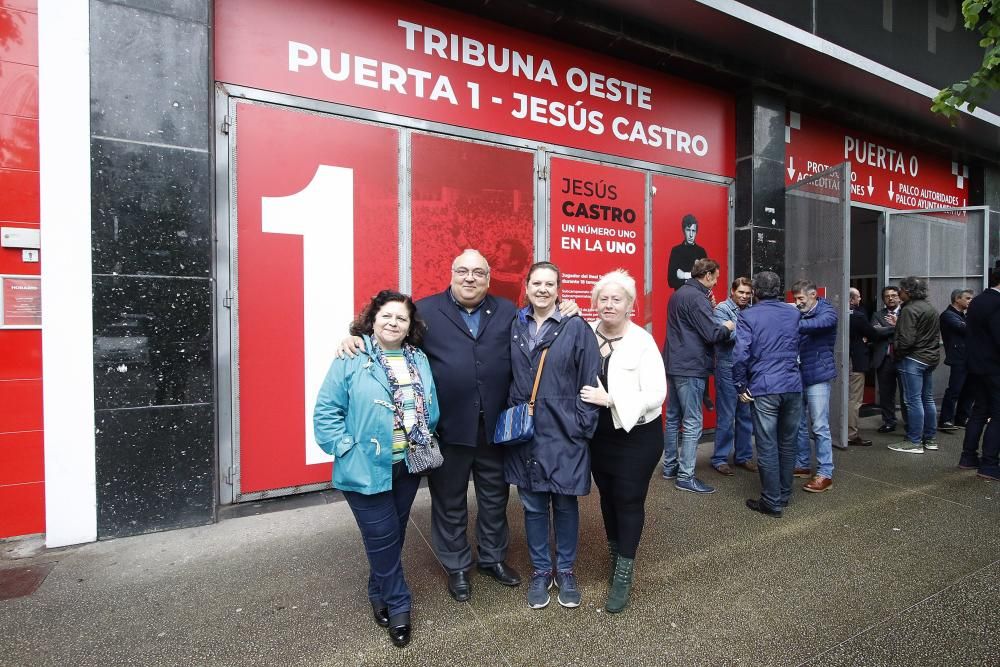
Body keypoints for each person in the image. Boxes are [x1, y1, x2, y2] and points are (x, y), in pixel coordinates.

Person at [337, 250, 578, 603]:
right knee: (448, 501)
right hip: (448, 428)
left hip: (497, 427)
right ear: (451, 274)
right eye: (462, 271)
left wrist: (567, 308)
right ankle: (457, 566)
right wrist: (355, 337)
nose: (470, 278)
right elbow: (390, 336)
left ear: (488, 277)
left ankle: (493, 558)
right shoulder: (427, 310)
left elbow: (545, 323)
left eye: (478, 272)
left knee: (495, 499)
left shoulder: (509, 311)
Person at [314, 290, 439, 648]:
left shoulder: (418, 358)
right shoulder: (352, 355)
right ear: (373, 318)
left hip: (407, 464)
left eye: (402, 318)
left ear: (410, 326)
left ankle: (377, 589)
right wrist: (346, 449)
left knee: (391, 535)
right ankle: (399, 604)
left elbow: (430, 402)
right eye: (387, 315)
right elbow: (327, 413)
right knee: (382, 536)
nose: (393, 322)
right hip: (365, 467)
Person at [506, 261, 601, 610]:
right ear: (527, 286)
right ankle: (541, 571)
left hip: (565, 432)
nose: (543, 289)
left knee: (564, 503)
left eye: (550, 284)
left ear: (559, 289)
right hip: (526, 433)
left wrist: (581, 427)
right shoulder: (514, 325)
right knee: (532, 506)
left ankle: (566, 570)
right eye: (536, 283)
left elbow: (591, 380)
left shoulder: (576, 327)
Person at [578, 270, 666, 613]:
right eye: (603, 298)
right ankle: (617, 555)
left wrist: (612, 399)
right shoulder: (585, 333)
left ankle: (624, 573)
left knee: (629, 498)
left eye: (617, 299)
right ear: (594, 303)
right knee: (608, 497)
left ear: (630, 304)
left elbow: (657, 393)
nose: (609, 304)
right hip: (599, 435)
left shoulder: (642, 341)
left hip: (637, 434)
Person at [732, 271, 803, 518]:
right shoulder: (793, 312)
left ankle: (771, 502)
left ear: (756, 292)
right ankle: (783, 494)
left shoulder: (748, 315)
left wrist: (741, 386)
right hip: (793, 384)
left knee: (767, 445)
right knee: (788, 442)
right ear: (779, 290)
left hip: (764, 387)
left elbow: (741, 354)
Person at [662, 258, 735, 494]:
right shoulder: (697, 298)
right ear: (707, 276)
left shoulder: (680, 294)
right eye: (716, 276)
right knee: (693, 422)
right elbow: (712, 333)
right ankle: (685, 476)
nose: (717, 281)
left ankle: (670, 467)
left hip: (674, 363)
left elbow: (689, 325)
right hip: (691, 366)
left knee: (673, 418)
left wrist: (708, 307)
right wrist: (728, 326)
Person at [791, 280, 839, 493]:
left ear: (813, 296)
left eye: (801, 298)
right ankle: (802, 464)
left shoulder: (827, 311)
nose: (797, 302)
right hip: (799, 374)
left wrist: (790, 322)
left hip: (818, 374)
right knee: (799, 423)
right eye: (795, 299)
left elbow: (820, 325)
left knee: (819, 426)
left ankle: (825, 473)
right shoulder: (799, 313)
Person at [888, 276, 941, 454]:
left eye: (901, 290)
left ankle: (914, 441)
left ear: (908, 292)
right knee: (927, 398)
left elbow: (907, 340)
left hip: (913, 359)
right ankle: (930, 439)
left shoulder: (909, 309)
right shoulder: (930, 308)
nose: (899, 293)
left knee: (913, 400)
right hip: (929, 357)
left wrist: (898, 353)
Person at [710, 277, 756, 475]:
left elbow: (740, 333)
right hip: (727, 368)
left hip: (747, 369)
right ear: (732, 291)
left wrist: (738, 329)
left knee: (745, 416)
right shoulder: (721, 309)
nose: (744, 296)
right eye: (741, 292)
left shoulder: (751, 311)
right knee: (727, 415)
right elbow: (725, 335)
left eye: (747, 293)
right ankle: (720, 458)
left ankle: (743, 457)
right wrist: (751, 332)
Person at [958, 267, 1000, 480]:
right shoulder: (996, 303)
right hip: (994, 367)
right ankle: (990, 465)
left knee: (979, 411)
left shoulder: (979, 301)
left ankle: (968, 457)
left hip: (977, 366)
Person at [938, 288, 974, 431]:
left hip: (969, 358)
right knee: (955, 390)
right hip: (959, 358)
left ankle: (961, 418)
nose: (971, 301)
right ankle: (945, 420)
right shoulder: (947, 315)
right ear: (957, 299)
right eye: (968, 298)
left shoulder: (964, 315)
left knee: (969, 390)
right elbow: (965, 329)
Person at [871, 286, 907, 433]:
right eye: (887, 296)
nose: (890, 298)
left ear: (899, 297)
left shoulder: (906, 313)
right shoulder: (877, 314)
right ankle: (889, 422)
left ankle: (910, 424)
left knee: (907, 394)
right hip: (884, 359)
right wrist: (897, 327)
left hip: (903, 359)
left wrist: (891, 326)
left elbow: (909, 332)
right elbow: (875, 332)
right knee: (886, 394)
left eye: (893, 295)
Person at [847, 287, 875, 447]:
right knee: (854, 399)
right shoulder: (858, 316)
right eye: (858, 297)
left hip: (840, 360)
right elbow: (873, 334)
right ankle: (851, 434)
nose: (860, 300)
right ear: (851, 300)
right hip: (855, 361)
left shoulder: (834, 313)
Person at [666, 214, 707, 290]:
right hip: (681, 295)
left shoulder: (701, 252)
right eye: (688, 230)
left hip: (697, 295)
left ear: (696, 232)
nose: (691, 235)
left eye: (693, 231)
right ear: (683, 230)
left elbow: (705, 281)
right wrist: (694, 277)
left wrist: (684, 275)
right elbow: (671, 281)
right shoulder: (676, 251)